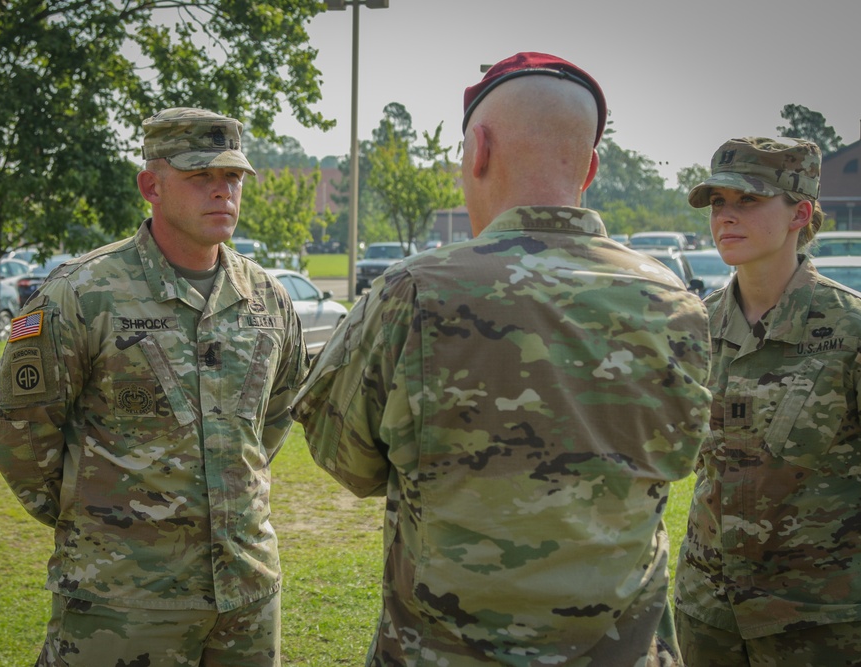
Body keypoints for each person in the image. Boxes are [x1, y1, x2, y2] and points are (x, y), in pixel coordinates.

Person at [292, 51, 712, 666]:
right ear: (590, 167)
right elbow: (683, 457)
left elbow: (346, 462)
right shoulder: (676, 305)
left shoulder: (412, 292)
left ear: (477, 150)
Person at [0, 107, 308, 667]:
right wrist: (96, 521)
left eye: (231, 177)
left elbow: (273, 417)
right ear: (150, 186)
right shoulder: (83, 293)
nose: (222, 193)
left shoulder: (266, 298)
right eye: (200, 177)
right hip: (123, 598)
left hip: (246, 593)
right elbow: (16, 432)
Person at [673, 137, 861, 666]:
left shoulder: (849, 329)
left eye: (748, 201)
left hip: (820, 622)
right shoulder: (693, 327)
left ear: (800, 212)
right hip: (709, 614)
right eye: (717, 203)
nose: (726, 217)